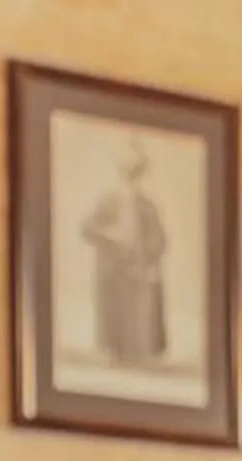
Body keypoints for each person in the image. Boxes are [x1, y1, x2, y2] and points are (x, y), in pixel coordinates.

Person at [83, 142, 169, 366]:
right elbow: (88, 228)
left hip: (138, 266)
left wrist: (150, 255)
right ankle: (113, 351)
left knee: (139, 310)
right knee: (115, 308)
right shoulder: (107, 201)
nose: (132, 182)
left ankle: (140, 354)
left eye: (137, 176)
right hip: (112, 266)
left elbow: (159, 238)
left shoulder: (147, 206)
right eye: (128, 175)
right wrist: (109, 233)